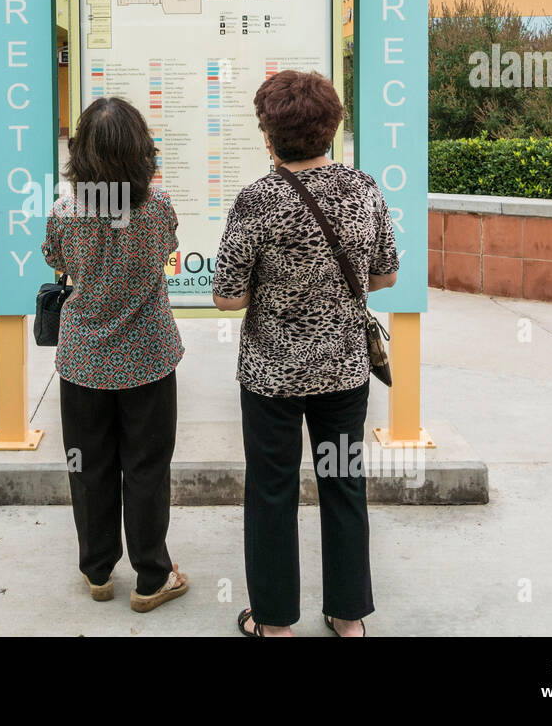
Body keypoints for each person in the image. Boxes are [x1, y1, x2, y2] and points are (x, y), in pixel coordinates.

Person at [211, 70, 399, 638]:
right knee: (344, 484)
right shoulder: (364, 189)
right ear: (332, 129)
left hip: (271, 375)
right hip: (344, 370)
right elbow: (386, 275)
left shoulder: (256, 200)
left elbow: (227, 296)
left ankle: (273, 623)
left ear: (269, 135)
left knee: (271, 491)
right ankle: (347, 617)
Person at [41, 96, 188, 613]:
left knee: (89, 466)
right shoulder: (160, 205)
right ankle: (152, 576)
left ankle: (98, 570)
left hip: (82, 360)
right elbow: (168, 247)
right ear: (139, 151)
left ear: (80, 153)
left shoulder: (64, 211)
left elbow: (55, 258)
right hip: (148, 356)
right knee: (147, 467)